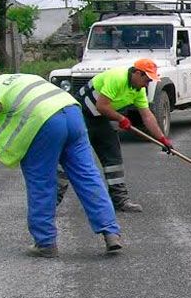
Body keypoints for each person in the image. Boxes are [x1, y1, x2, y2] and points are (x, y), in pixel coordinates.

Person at [0, 68, 123, 258]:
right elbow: (21, 124)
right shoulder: (25, 78)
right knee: (88, 176)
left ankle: (46, 242)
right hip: (72, 113)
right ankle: (111, 233)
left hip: (46, 122)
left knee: (41, 182)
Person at [57, 59, 173, 212]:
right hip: (80, 115)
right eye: (147, 80)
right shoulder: (117, 78)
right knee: (72, 156)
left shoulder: (138, 90)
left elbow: (147, 116)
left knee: (113, 155)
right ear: (137, 73)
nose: (147, 84)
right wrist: (121, 119)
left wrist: (162, 139)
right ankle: (51, 201)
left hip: (99, 118)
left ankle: (120, 200)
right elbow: (102, 105)